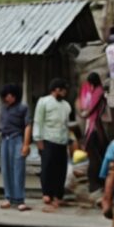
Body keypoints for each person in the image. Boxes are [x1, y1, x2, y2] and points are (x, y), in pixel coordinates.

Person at [34, 78, 73, 211]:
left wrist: (69, 140)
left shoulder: (67, 105)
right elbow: (38, 121)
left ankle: (58, 195)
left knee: (61, 169)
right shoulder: (43, 102)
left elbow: (66, 125)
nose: (65, 92)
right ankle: (47, 194)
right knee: (47, 168)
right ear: (57, 89)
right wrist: (38, 140)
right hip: (48, 139)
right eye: (63, 90)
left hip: (62, 141)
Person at [0, 84, 32, 211]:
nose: (6, 99)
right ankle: (8, 197)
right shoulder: (3, 108)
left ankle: (19, 199)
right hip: (4, 139)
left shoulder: (23, 108)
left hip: (17, 139)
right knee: (6, 169)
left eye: (8, 96)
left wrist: (26, 144)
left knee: (18, 169)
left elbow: (28, 125)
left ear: (14, 96)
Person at [78, 72, 109, 192]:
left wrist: (84, 114)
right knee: (97, 156)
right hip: (95, 126)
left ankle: (94, 183)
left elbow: (92, 109)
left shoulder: (98, 91)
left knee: (94, 157)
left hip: (94, 127)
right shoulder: (98, 90)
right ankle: (97, 182)